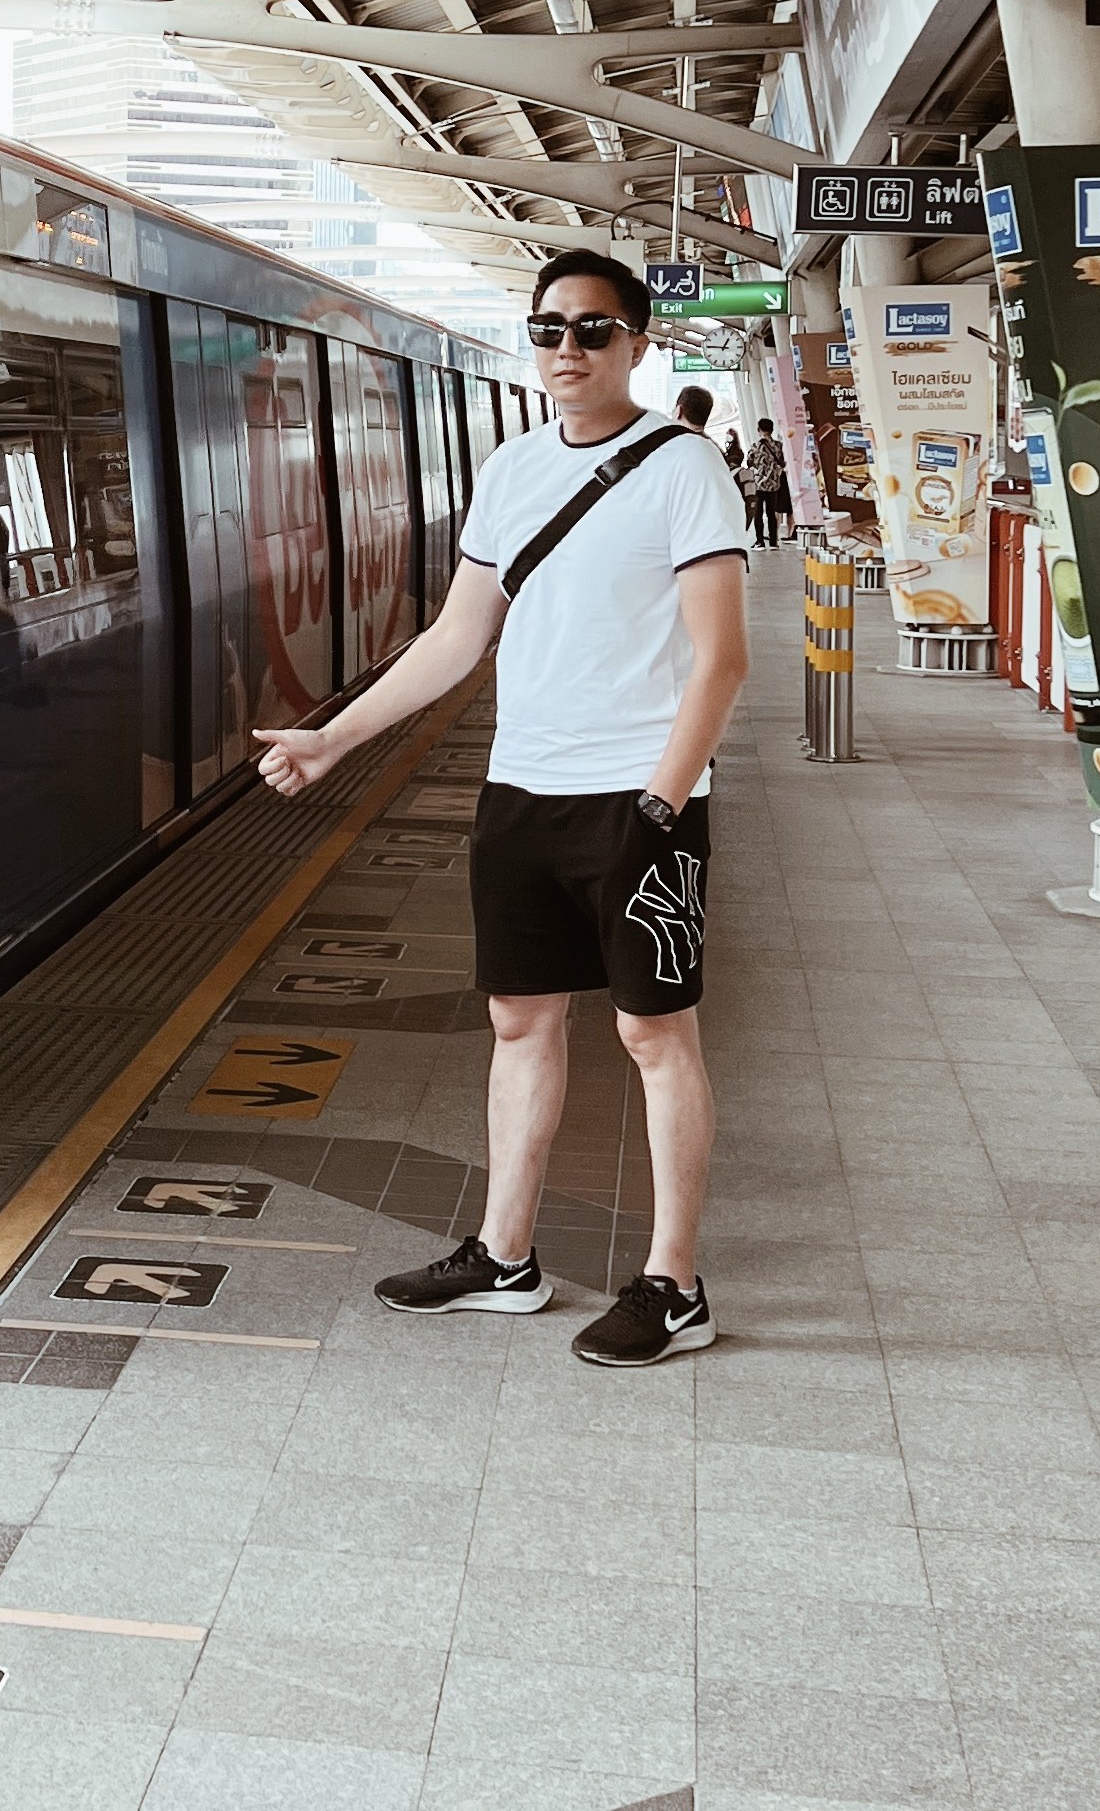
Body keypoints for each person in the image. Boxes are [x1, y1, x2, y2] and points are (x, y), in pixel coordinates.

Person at [256, 249, 750, 1368]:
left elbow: (721, 662)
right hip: (521, 792)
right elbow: (455, 638)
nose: (565, 350)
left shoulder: (686, 470)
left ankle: (674, 1284)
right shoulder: (515, 467)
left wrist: (663, 805)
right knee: (520, 1022)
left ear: (635, 342)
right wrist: (334, 738)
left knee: (653, 1034)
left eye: (591, 330)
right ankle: (504, 1256)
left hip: (640, 800)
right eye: (548, 330)